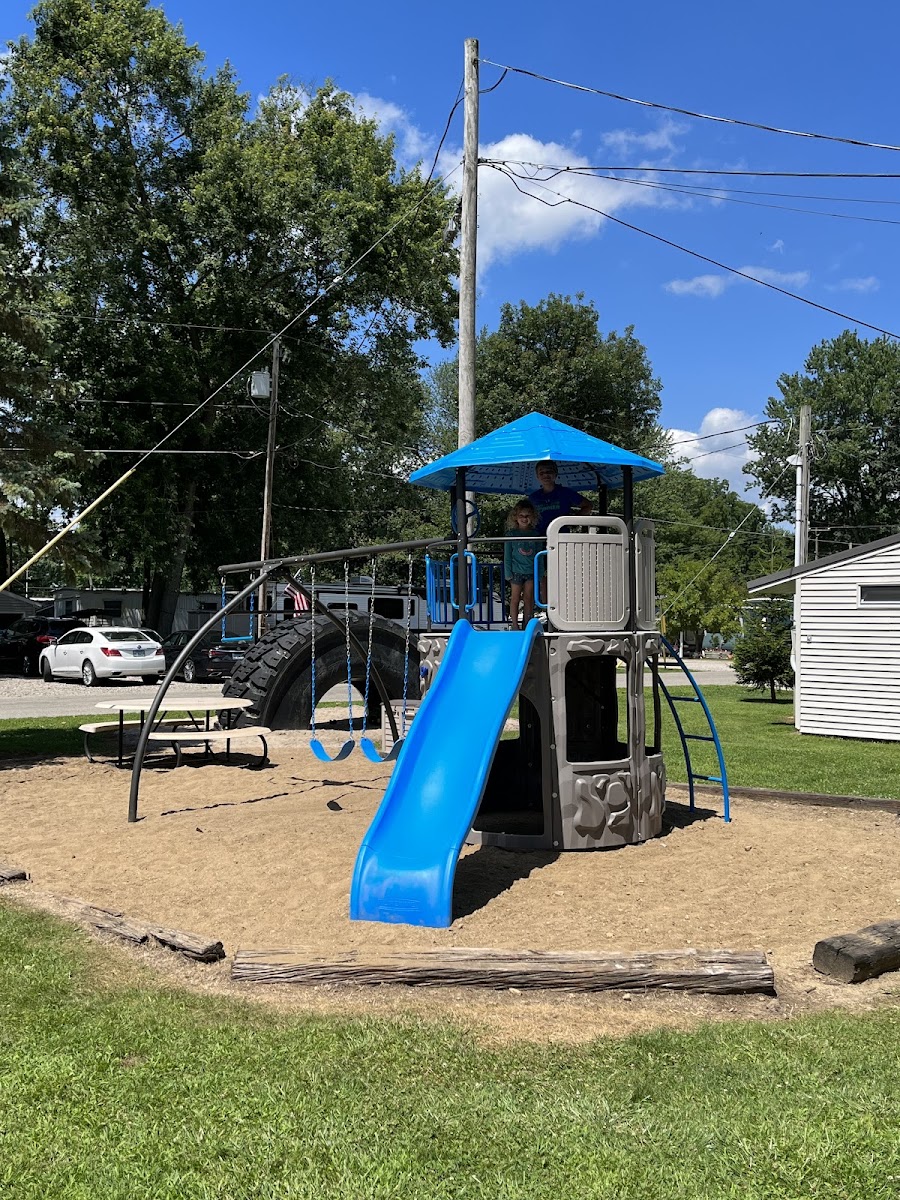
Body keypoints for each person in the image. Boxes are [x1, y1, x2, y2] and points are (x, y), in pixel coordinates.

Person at [503, 500, 541, 630]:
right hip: (516, 571)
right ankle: (514, 624)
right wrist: (507, 572)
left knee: (528, 597)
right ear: (515, 517)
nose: (524, 519)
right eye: (521, 516)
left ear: (532, 517)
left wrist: (540, 573)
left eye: (527, 516)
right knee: (515, 598)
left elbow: (539, 556)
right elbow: (507, 556)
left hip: (530, 571)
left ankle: (527, 623)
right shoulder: (511, 535)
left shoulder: (535, 535)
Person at [529, 460, 592, 535]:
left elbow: (588, 505)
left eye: (549, 471)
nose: (545, 475)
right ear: (537, 476)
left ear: (555, 474)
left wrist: (573, 521)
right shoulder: (533, 497)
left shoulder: (565, 492)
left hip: (562, 537)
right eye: (541, 473)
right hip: (539, 538)